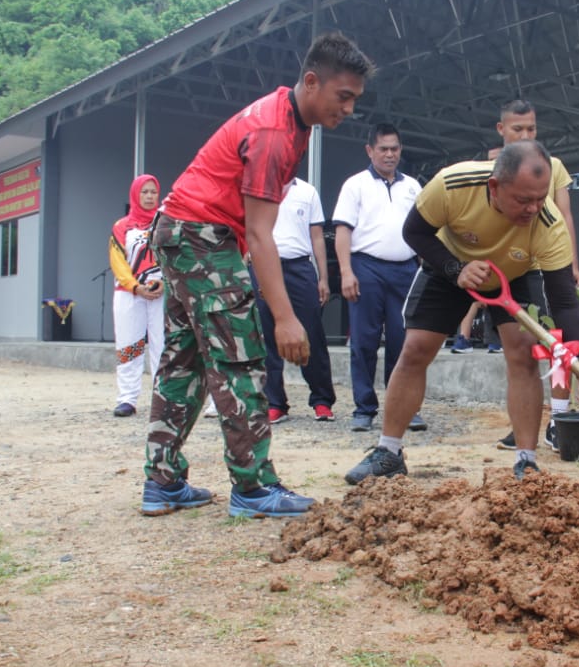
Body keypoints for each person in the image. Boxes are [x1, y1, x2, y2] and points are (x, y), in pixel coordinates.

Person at [140, 31, 374, 520]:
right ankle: (253, 487)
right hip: (203, 237)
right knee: (238, 358)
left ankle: (161, 483)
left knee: (184, 363)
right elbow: (262, 234)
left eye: (355, 99)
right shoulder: (274, 133)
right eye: (343, 96)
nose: (349, 109)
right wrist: (286, 319)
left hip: (181, 233)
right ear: (312, 82)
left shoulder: (290, 120)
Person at [344, 140, 579, 485]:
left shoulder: (548, 224)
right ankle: (388, 453)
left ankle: (526, 464)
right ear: (494, 187)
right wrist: (455, 268)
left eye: (540, 197)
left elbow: (564, 303)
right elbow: (414, 232)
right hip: (450, 262)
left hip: (516, 273)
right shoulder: (451, 185)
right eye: (523, 199)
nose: (534, 208)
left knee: (522, 355)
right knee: (415, 349)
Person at [483, 99, 579, 453]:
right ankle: (522, 424)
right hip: (512, 269)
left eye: (531, 129)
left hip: (548, 266)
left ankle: (559, 419)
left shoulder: (552, 166)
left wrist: (571, 263)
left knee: (557, 344)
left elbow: (565, 215)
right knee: (519, 351)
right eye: (517, 129)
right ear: (502, 130)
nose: (525, 134)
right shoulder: (489, 169)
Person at [331, 123, 424, 433]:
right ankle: (364, 408)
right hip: (366, 268)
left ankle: (405, 408)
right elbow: (343, 231)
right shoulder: (354, 185)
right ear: (369, 150)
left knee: (405, 342)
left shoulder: (412, 186)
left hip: (406, 270)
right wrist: (345, 272)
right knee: (364, 341)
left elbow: (425, 230)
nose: (389, 154)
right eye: (383, 149)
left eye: (394, 149)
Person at [255, 177, 336, 424]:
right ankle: (275, 402)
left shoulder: (308, 191)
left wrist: (323, 277)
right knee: (267, 334)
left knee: (311, 333)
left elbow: (317, 237)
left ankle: (322, 400)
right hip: (263, 266)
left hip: (299, 267)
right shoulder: (256, 187)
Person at [110, 174, 165, 418]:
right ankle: (127, 399)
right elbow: (117, 260)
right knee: (128, 345)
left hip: (161, 293)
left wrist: (163, 281)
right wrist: (135, 286)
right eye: (145, 192)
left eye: (153, 192)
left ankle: (163, 398)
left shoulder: (166, 222)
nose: (150, 196)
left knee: (162, 346)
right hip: (129, 294)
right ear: (135, 194)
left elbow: (173, 254)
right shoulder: (121, 226)